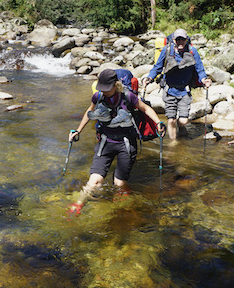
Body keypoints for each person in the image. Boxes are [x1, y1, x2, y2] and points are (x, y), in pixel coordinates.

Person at [68, 69, 165, 216]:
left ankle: (126, 206)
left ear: (116, 85)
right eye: (102, 89)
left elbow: (145, 109)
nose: (104, 92)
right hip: (105, 142)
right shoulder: (98, 96)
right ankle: (78, 204)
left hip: (125, 144)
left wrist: (158, 122)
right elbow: (90, 112)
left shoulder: (128, 96)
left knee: (119, 183)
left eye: (107, 89)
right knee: (94, 181)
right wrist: (78, 131)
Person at [142, 29, 212, 140]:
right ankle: (173, 143)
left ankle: (180, 126)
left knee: (183, 121)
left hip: (185, 91)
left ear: (186, 40)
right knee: (171, 119)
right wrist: (149, 78)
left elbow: (200, 69)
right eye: (178, 39)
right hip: (169, 91)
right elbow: (158, 67)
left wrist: (204, 80)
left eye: (182, 39)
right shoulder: (167, 50)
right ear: (174, 40)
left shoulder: (192, 51)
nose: (180, 42)